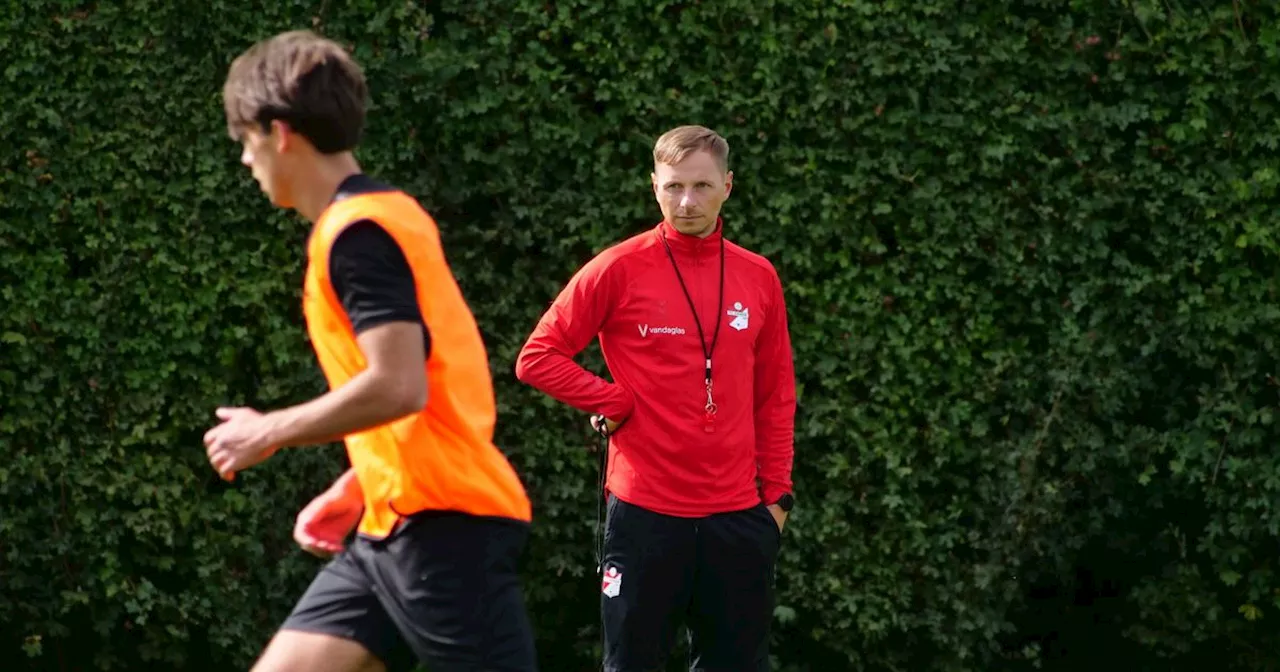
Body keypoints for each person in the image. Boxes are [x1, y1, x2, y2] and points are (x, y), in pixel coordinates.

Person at [203, 29, 538, 672]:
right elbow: (441, 390)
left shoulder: (359, 234)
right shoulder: (385, 215)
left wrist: (268, 431)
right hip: (391, 522)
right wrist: (364, 481)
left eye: (245, 144)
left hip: (444, 531)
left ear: (279, 133)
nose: (246, 162)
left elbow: (399, 384)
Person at [514, 125, 797, 671]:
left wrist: (778, 500)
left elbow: (776, 394)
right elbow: (537, 356)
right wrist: (615, 400)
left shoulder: (758, 276)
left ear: (728, 187)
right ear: (654, 186)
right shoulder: (617, 268)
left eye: (701, 186)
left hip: (738, 517)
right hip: (645, 514)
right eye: (672, 187)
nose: (686, 202)